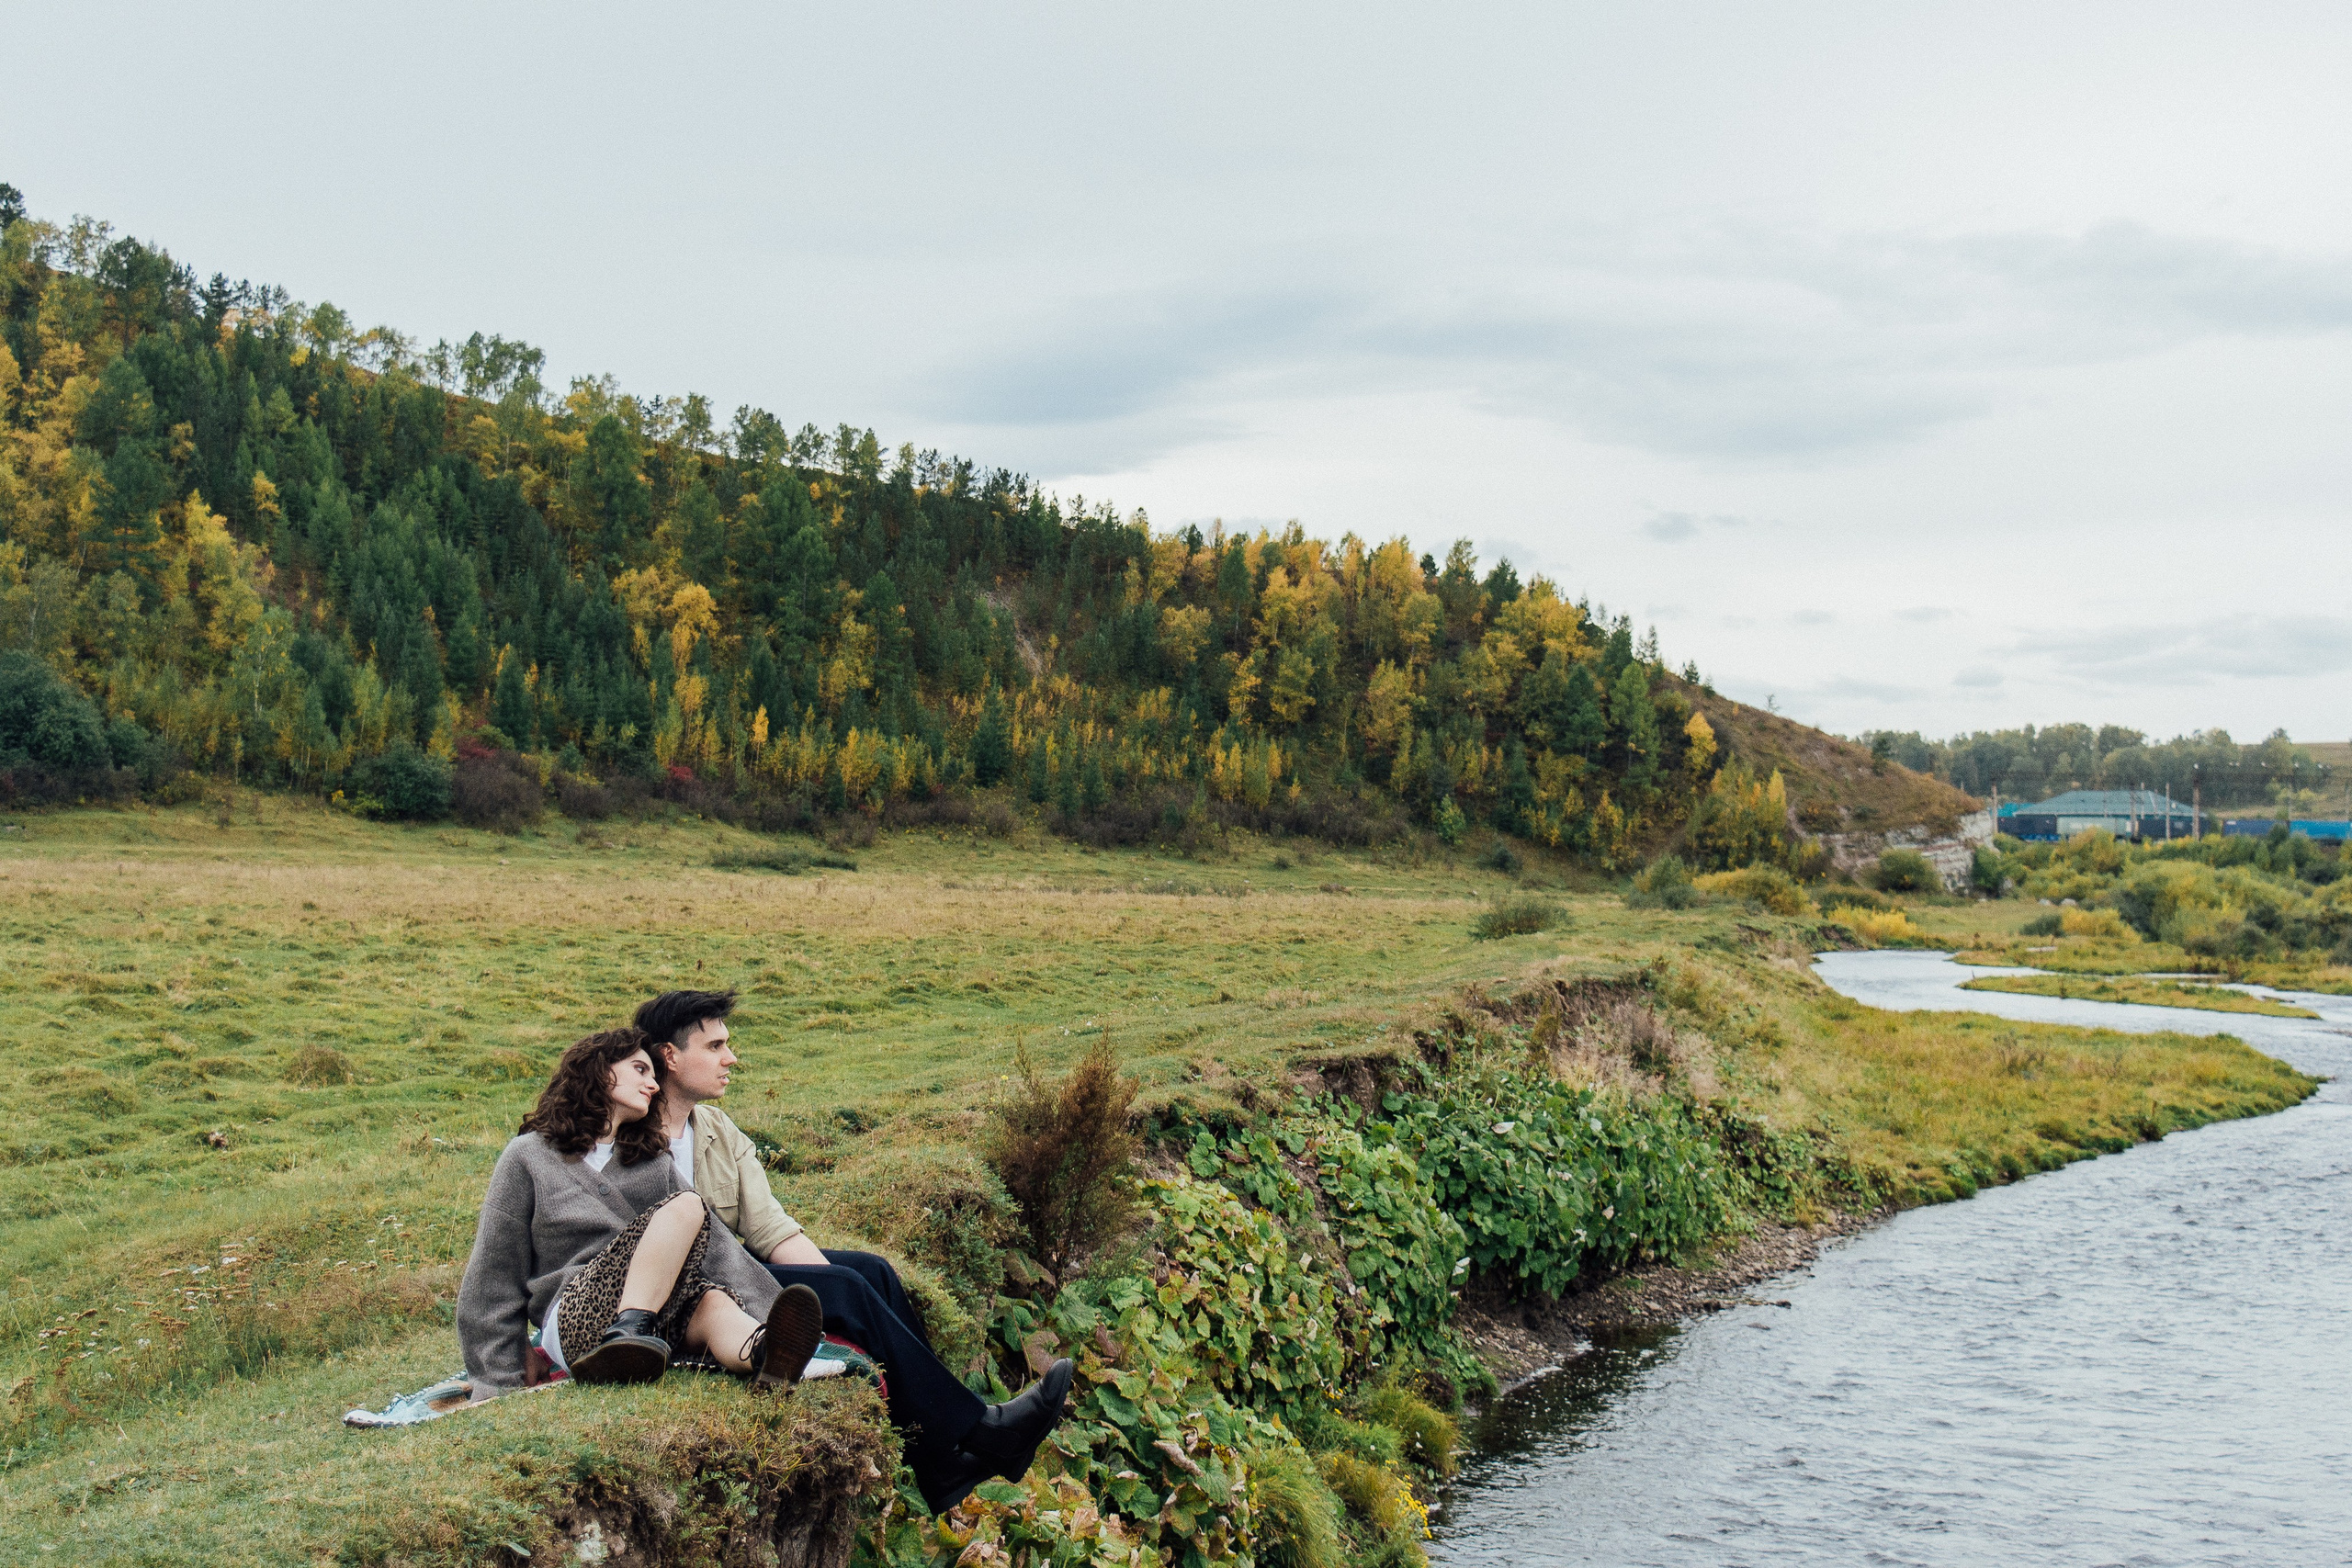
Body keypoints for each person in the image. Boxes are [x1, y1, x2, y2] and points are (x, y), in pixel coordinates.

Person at [632, 988, 1070, 1512]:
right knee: (847, 1287)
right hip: (697, 1298)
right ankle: (981, 1431)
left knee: (873, 1273)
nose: (732, 1058)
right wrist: (837, 1292)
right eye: (715, 1046)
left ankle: (941, 1463)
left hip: (740, 1269)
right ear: (670, 1056)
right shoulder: (632, 1140)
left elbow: (770, 1228)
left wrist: (837, 1287)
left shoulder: (717, 1130)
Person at [455, 1026, 825, 1398]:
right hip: (576, 1316)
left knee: (711, 1301)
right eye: (640, 1070)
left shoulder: (652, 1164)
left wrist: (771, 1309)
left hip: (656, 1324)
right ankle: (625, 1333)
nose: (654, 1084)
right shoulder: (529, 1157)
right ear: (601, 1071)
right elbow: (493, 1272)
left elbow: (719, 1250)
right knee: (688, 1204)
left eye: (654, 1074)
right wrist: (500, 1371)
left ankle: (767, 1356)